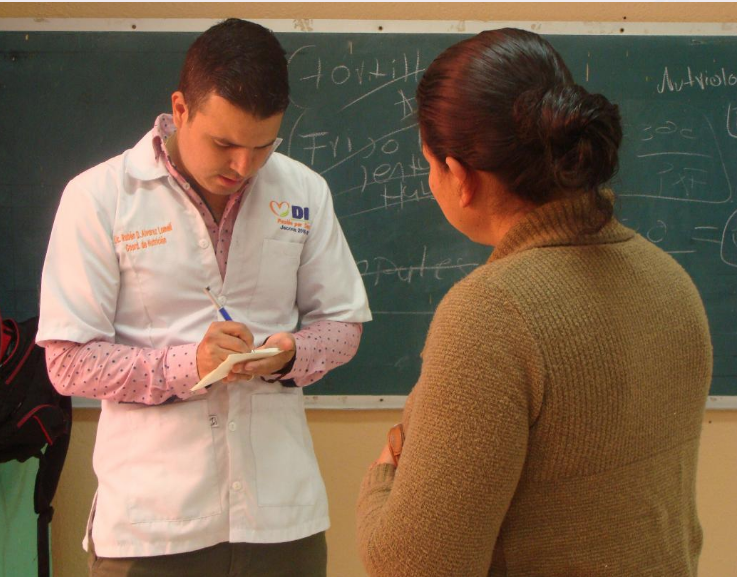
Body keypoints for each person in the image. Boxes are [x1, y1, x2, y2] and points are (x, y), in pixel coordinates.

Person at [356, 28, 712, 577]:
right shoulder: (671, 281)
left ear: (459, 177)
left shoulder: (490, 315)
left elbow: (415, 567)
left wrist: (384, 476)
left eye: (429, 164)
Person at [37, 18, 371, 577]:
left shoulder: (303, 190)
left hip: (280, 518)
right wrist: (188, 365)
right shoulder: (99, 197)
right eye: (224, 144)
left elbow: (343, 325)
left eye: (262, 146)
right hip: (152, 526)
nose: (243, 166)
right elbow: (68, 362)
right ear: (181, 109)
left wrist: (289, 354)